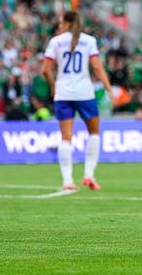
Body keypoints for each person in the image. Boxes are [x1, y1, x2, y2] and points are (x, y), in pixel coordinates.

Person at [42, 11, 113, 191]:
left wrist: (53, 85)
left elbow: (45, 70)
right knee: (94, 133)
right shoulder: (89, 41)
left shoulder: (55, 42)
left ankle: (67, 181)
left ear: (66, 23)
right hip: (84, 93)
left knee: (66, 138)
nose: (59, 25)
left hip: (63, 94)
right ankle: (89, 174)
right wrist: (109, 89)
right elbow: (97, 67)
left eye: (60, 22)